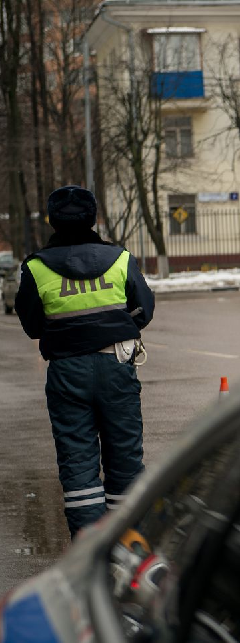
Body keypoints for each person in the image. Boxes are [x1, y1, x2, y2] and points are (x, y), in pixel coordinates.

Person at [15, 186, 154, 538]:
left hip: (66, 372)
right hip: (116, 365)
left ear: (52, 220)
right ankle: (127, 541)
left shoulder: (36, 267)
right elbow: (143, 310)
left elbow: (32, 325)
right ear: (93, 218)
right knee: (124, 455)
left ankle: (90, 550)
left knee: (78, 462)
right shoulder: (121, 258)